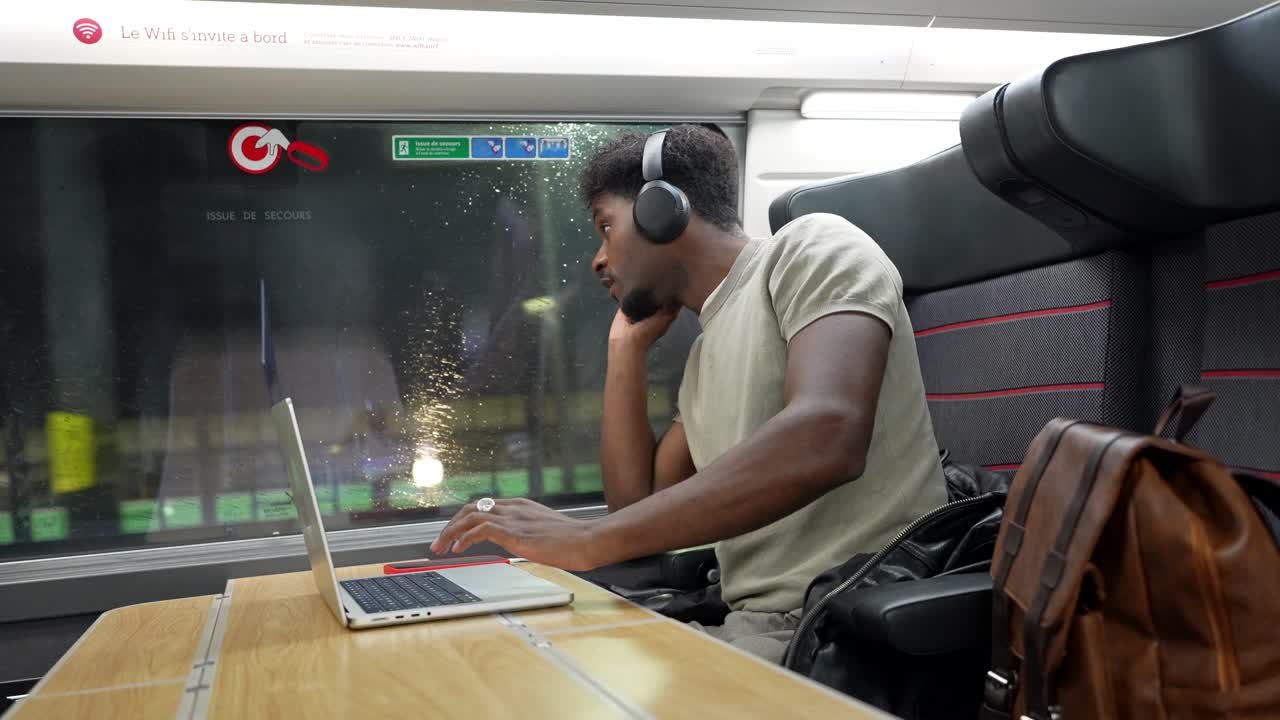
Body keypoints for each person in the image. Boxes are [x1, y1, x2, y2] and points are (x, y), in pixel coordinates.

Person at [432, 124, 946, 663]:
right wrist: (624, 355)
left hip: (837, 621)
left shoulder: (812, 247)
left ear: (662, 210)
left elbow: (828, 435)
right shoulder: (705, 356)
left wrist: (586, 541)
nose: (598, 259)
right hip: (753, 625)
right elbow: (638, 513)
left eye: (606, 227)